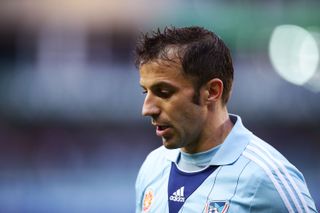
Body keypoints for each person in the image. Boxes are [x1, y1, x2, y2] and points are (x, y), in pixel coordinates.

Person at [134, 26, 317, 213]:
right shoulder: (152, 166)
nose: (147, 109)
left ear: (212, 92)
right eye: (145, 92)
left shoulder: (267, 176)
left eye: (164, 92)